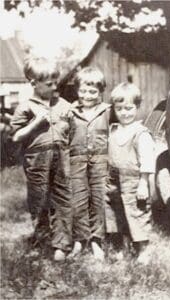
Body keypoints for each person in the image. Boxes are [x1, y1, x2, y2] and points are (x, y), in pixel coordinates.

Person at [10, 57, 74, 262]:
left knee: (62, 198)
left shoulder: (63, 104)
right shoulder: (25, 107)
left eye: (56, 81)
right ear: (33, 83)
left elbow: (72, 131)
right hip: (37, 159)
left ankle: (61, 245)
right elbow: (16, 136)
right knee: (39, 199)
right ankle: (42, 238)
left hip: (62, 157)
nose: (55, 86)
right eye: (49, 84)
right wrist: (36, 123)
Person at [105, 82, 155, 264]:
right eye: (119, 109)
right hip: (113, 180)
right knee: (116, 213)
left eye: (129, 108)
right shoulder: (114, 129)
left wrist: (143, 183)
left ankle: (143, 249)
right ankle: (121, 247)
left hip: (134, 181)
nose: (124, 113)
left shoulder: (140, 133)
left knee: (137, 213)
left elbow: (148, 160)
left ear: (137, 107)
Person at [69, 67, 111, 260]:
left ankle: (96, 241)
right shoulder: (70, 112)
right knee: (78, 201)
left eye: (93, 91)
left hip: (101, 162)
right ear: (77, 90)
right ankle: (79, 240)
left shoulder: (108, 111)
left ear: (101, 91)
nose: (87, 95)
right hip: (76, 162)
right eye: (83, 90)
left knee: (99, 200)